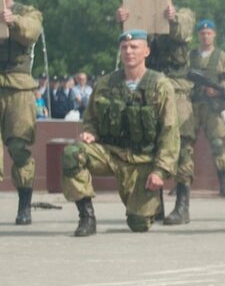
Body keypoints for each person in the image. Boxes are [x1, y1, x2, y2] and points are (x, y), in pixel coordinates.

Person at [61, 30, 180, 236]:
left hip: (142, 159)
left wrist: (161, 170)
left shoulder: (160, 85)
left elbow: (170, 132)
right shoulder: (106, 84)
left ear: (146, 51)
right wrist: (90, 133)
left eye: (134, 47)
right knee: (73, 153)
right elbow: (91, 119)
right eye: (124, 47)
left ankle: (149, 203)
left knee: (138, 224)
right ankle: (87, 217)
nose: (128, 51)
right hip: (110, 153)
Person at [115, 0, 195, 226]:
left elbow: (183, 30)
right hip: (150, 84)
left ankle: (182, 205)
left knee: (182, 143)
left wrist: (171, 19)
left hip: (177, 86)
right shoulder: (143, 18)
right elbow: (130, 47)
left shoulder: (184, 14)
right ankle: (154, 204)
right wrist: (125, 21)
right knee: (148, 140)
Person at [0, 0, 43, 225]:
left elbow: (32, 32)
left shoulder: (26, 11)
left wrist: (11, 20)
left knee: (19, 147)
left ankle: (24, 205)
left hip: (19, 86)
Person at [189, 19, 225, 197]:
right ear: (198, 35)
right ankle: (182, 183)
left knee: (217, 145)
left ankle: (224, 184)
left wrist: (217, 90)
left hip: (212, 107)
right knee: (185, 145)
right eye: (202, 33)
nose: (205, 36)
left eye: (209, 33)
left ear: (214, 34)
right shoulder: (191, 56)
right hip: (192, 107)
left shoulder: (221, 57)